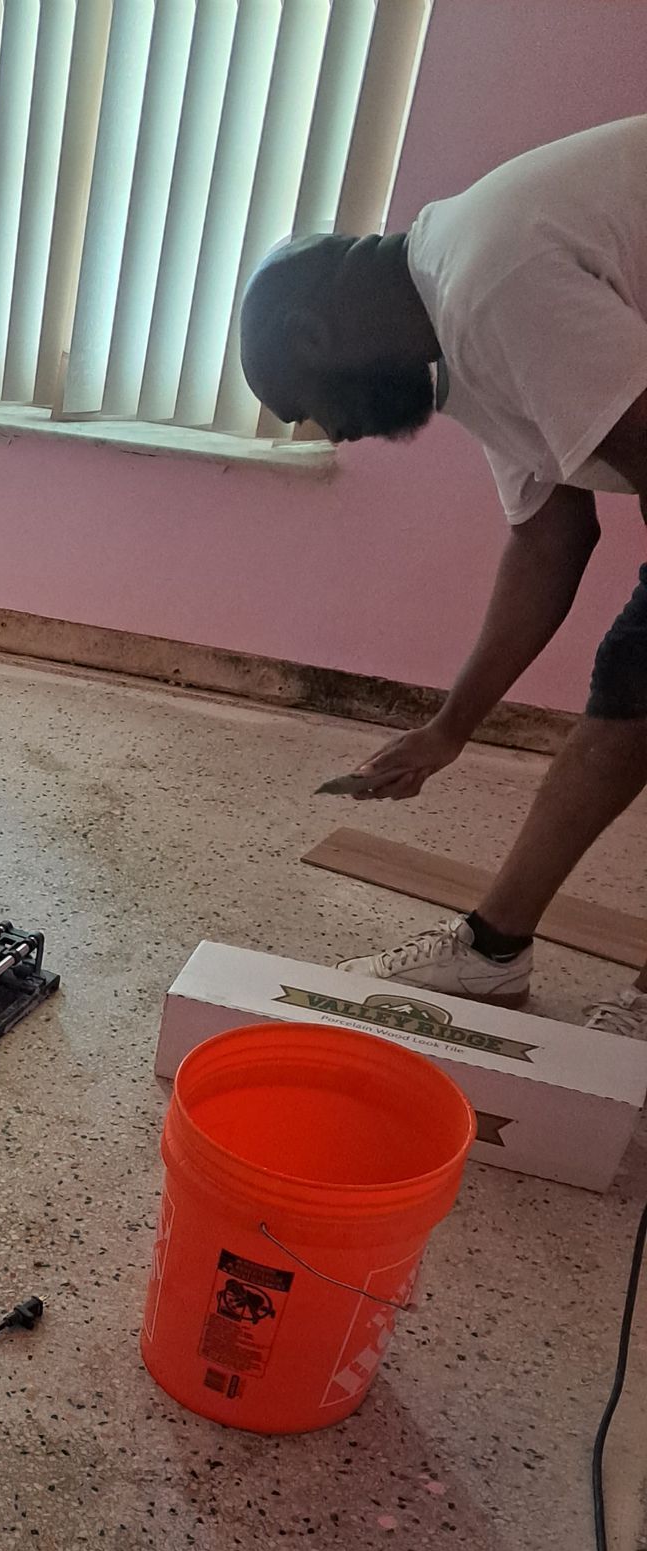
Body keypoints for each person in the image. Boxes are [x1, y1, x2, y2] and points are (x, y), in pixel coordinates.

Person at [240, 117, 647, 1031]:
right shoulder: (462, 332)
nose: (336, 434)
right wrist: (448, 730)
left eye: (311, 408)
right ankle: (493, 951)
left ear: (313, 334)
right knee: (633, 688)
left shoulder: (490, 285)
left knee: (638, 681)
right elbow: (551, 541)